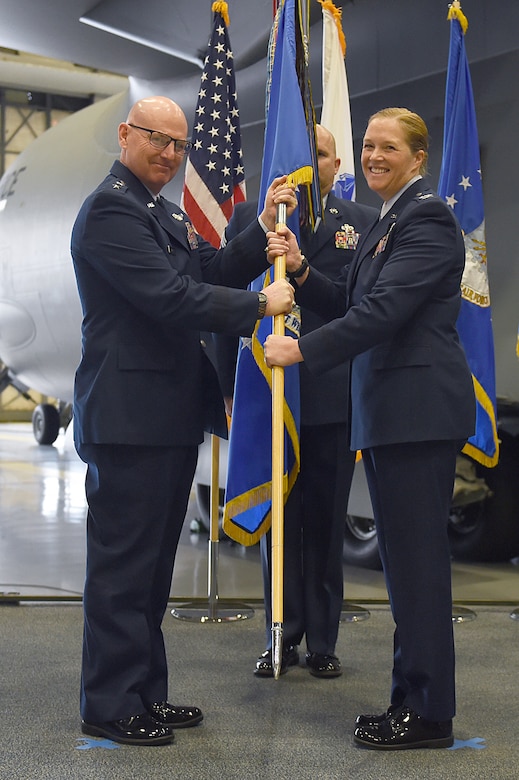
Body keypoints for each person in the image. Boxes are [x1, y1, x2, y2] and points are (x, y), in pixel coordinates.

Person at [71, 95, 296, 746]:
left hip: (161, 419)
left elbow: (210, 268)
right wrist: (261, 303)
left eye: (178, 144)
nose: (169, 154)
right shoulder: (112, 210)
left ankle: (142, 692)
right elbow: (172, 298)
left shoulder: (156, 210)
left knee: (147, 573)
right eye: (156, 140)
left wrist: (260, 228)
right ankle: (110, 705)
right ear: (125, 135)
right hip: (128, 419)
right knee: (123, 573)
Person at [264, 108, 475, 749]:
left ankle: (429, 714)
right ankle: (407, 701)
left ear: (418, 157)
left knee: (416, 570)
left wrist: (302, 351)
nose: (373, 155)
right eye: (366, 146)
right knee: (403, 571)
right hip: (391, 417)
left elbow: (384, 313)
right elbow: (353, 302)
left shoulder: (428, 218)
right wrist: (301, 273)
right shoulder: (389, 221)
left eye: (388, 147)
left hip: (415, 416)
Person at [218, 125, 377, 678]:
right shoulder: (248, 221)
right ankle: (278, 636)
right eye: (302, 154)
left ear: (337, 166)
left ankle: (324, 643)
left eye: (324, 155)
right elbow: (224, 310)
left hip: (330, 393)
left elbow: (353, 309)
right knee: (278, 526)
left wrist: (302, 267)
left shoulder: (360, 224)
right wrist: (229, 389)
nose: (313, 164)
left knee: (326, 522)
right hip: (269, 398)